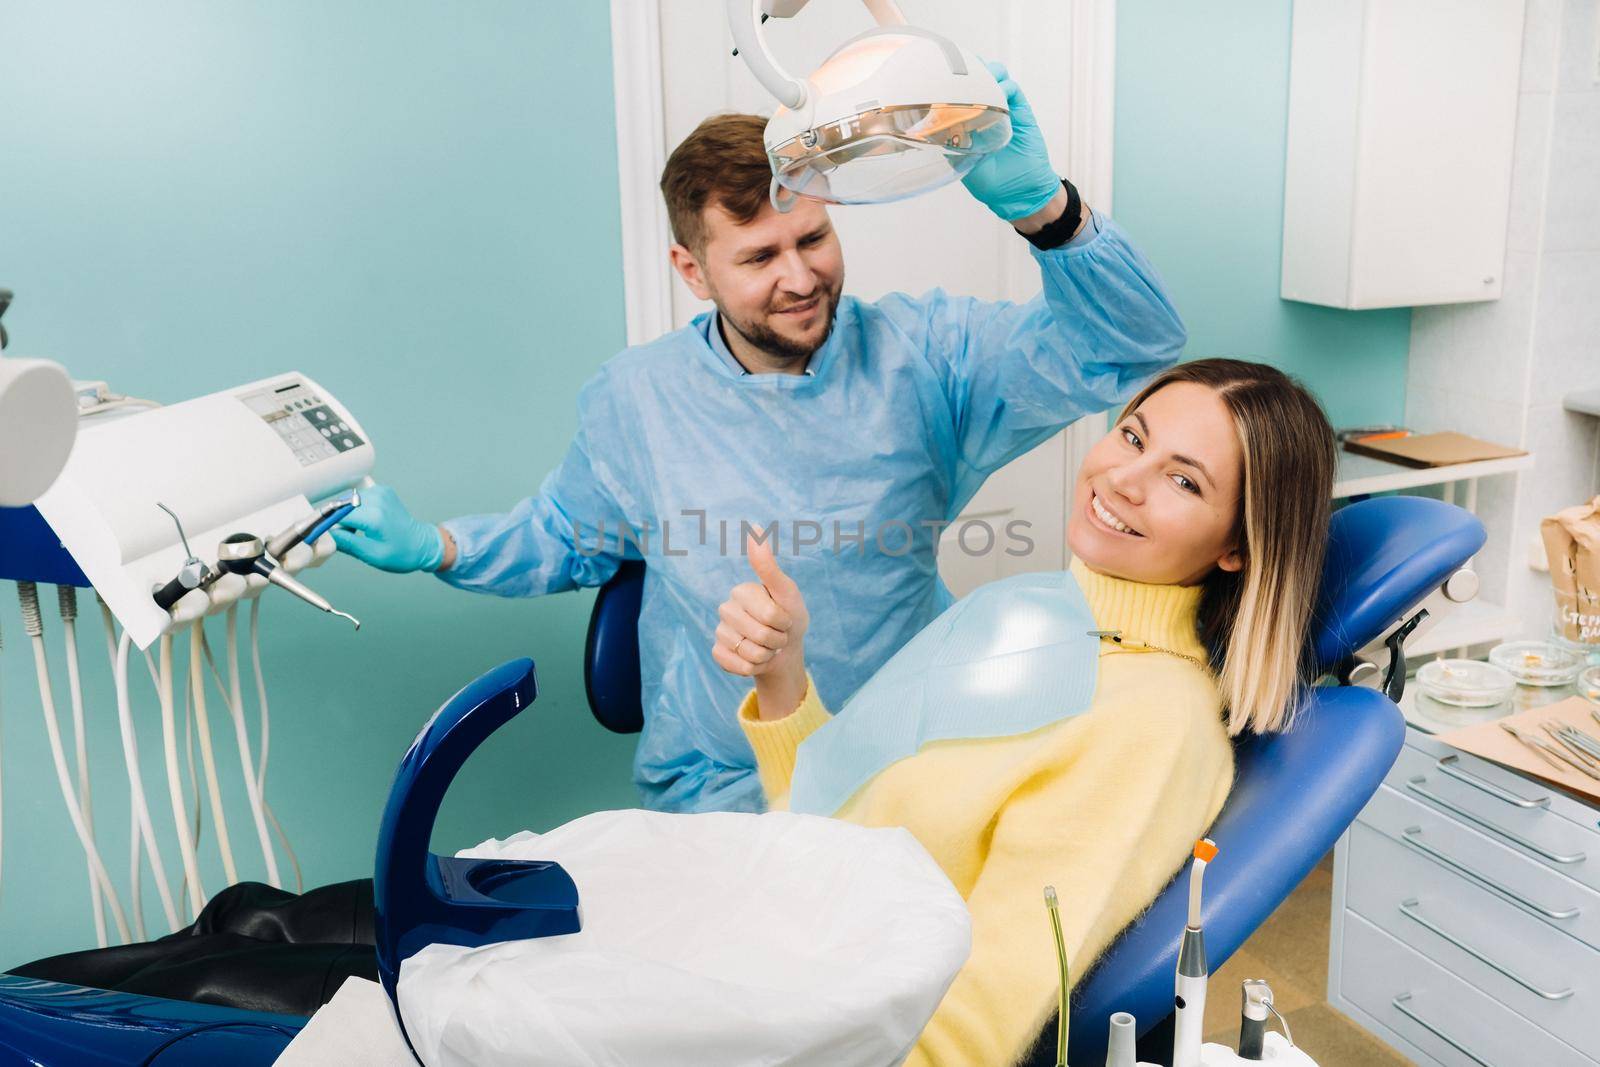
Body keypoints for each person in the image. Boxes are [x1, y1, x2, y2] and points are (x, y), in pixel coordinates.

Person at [332, 64, 1187, 814]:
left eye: (813, 238)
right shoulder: (636, 398)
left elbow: (1132, 343)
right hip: (720, 789)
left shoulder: (929, 358)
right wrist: (438, 546)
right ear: (692, 271)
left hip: (905, 765)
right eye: (759, 256)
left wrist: (1047, 211)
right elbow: (566, 535)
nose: (800, 275)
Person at [713, 359, 1338, 1066]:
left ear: (1237, 546)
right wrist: (781, 672)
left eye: (1183, 479)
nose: (1124, 479)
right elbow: (832, 812)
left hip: (813, 1020)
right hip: (766, 940)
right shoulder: (1031, 610)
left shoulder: (1155, 724)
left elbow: (973, 1019)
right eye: (1133, 437)